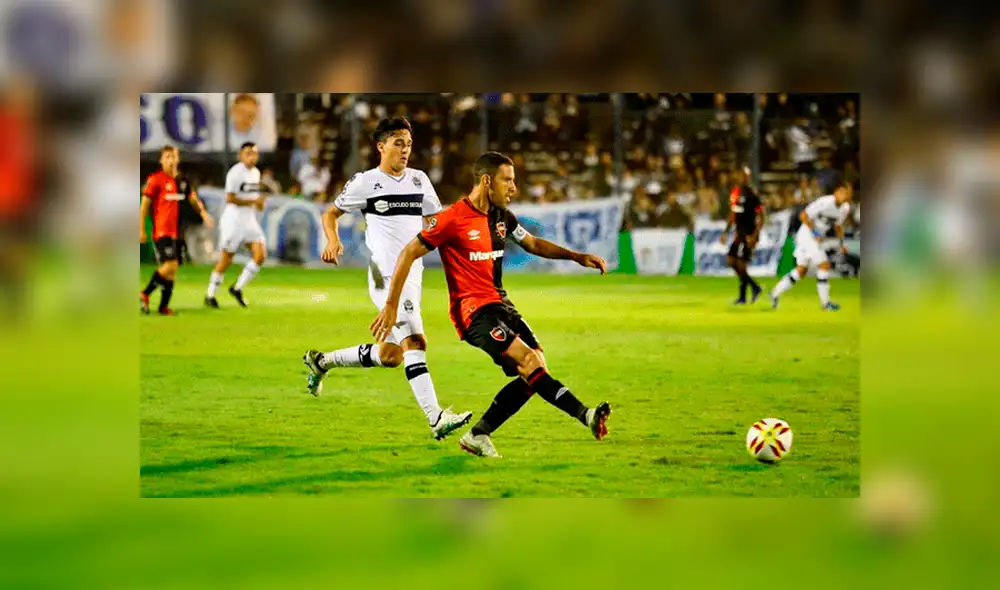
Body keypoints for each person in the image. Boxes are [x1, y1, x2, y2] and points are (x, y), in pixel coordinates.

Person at [370, 151, 612, 459]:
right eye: (507, 180)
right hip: (473, 312)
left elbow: (533, 244)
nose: (514, 187)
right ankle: (586, 415)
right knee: (529, 362)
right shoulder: (452, 219)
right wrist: (391, 305)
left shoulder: (502, 218)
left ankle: (478, 434)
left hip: (501, 304)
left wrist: (576, 257)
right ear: (487, 181)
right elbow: (407, 253)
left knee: (535, 367)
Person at [301, 117, 473, 441]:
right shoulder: (366, 182)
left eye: (408, 144)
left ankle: (322, 361)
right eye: (398, 143)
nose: (405, 150)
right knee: (415, 342)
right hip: (384, 273)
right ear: (381, 146)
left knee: (391, 355)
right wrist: (332, 240)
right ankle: (436, 418)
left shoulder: (420, 181)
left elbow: (436, 222)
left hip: (414, 274)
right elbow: (330, 213)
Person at [140, 146, 215, 315]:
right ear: (161, 161)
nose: (171, 160)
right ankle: (144, 293)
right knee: (170, 265)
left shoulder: (182, 181)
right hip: (161, 231)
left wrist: (204, 214)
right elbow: (144, 206)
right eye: (167, 157)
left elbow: (194, 199)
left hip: (177, 232)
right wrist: (141, 229)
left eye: (173, 156)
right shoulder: (155, 180)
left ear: (178, 159)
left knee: (172, 270)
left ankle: (163, 307)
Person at [770, 180, 854, 311]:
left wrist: (841, 243)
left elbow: (837, 226)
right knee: (824, 265)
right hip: (806, 235)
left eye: (848, 193)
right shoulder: (825, 202)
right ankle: (826, 304)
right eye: (843, 192)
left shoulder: (845, 208)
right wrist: (815, 232)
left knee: (801, 271)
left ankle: (775, 293)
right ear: (836, 192)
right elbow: (803, 215)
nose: (846, 196)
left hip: (815, 239)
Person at [204, 142, 267, 308]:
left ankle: (237, 288)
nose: (252, 157)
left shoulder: (256, 173)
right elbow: (230, 199)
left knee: (260, 255)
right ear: (241, 155)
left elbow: (252, 197)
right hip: (234, 220)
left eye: (254, 153)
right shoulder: (235, 173)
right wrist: (253, 201)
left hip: (249, 219)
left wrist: (258, 204)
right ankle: (210, 294)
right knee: (227, 259)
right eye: (248, 153)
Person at [719, 166, 765, 305]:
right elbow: (732, 214)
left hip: (748, 233)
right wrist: (726, 232)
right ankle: (754, 287)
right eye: (740, 175)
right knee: (731, 261)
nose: (742, 178)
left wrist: (755, 235)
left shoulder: (752, 194)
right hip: (738, 233)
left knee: (741, 264)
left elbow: (761, 216)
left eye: (744, 176)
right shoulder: (735, 193)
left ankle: (743, 297)